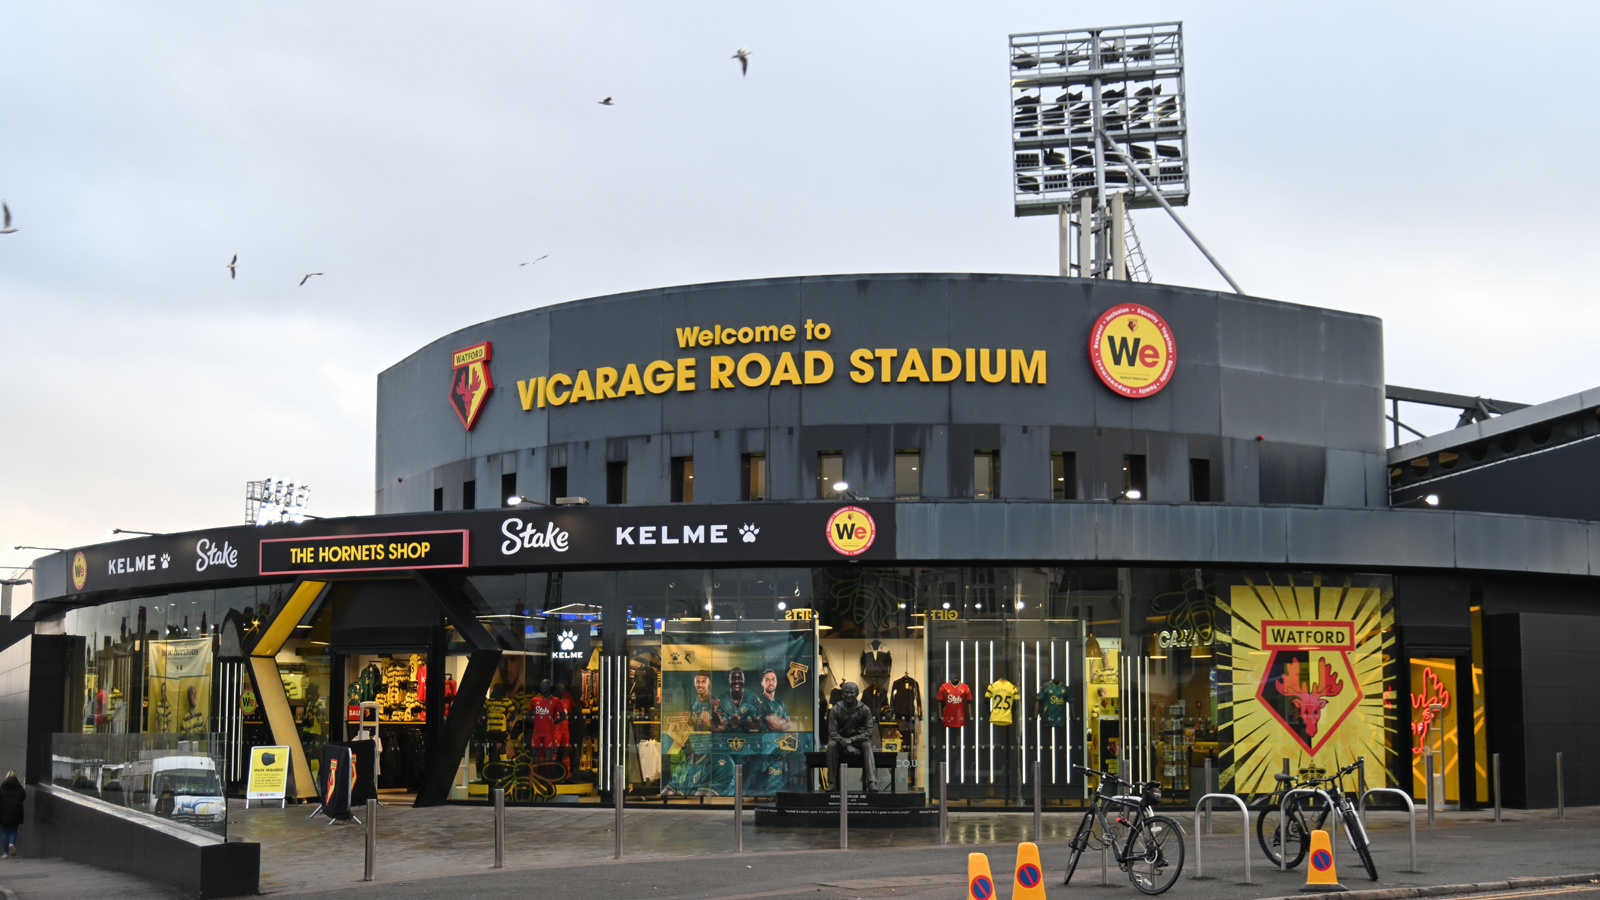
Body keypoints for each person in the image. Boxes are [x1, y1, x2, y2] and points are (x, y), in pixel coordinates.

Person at [826, 682, 876, 791]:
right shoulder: (835, 709)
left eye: (852, 692)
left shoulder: (865, 709)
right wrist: (845, 743)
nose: (849, 695)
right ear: (842, 693)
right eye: (847, 692)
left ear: (857, 693)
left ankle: (871, 781)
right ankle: (832, 782)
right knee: (831, 744)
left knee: (867, 745)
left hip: (859, 740)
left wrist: (851, 741)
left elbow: (869, 731)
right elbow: (832, 732)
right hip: (840, 741)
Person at [0, 771, 24, 858]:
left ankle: (5, 853)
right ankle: (11, 843)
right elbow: (23, 796)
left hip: (3, 813)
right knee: (13, 830)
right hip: (16, 812)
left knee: (5, 832)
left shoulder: (2, 786)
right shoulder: (19, 787)